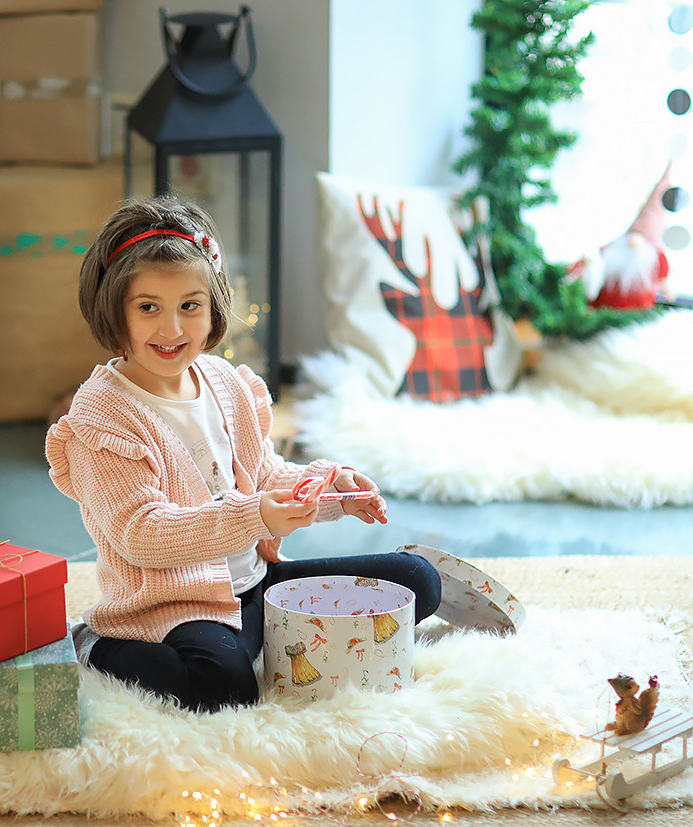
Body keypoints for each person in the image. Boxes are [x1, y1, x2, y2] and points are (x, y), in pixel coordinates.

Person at [45, 196, 442, 713]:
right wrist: (256, 515)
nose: (172, 330)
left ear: (213, 309)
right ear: (115, 311)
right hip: (175, 606)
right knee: (222, 686)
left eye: (190, 306)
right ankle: (100, 648)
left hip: (257, 584)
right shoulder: (104, 414)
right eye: (149, 308)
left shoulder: (225, 382)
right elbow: (142, 535)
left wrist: (330, 490)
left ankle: (267, 638)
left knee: (416, 581)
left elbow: (265, 478)